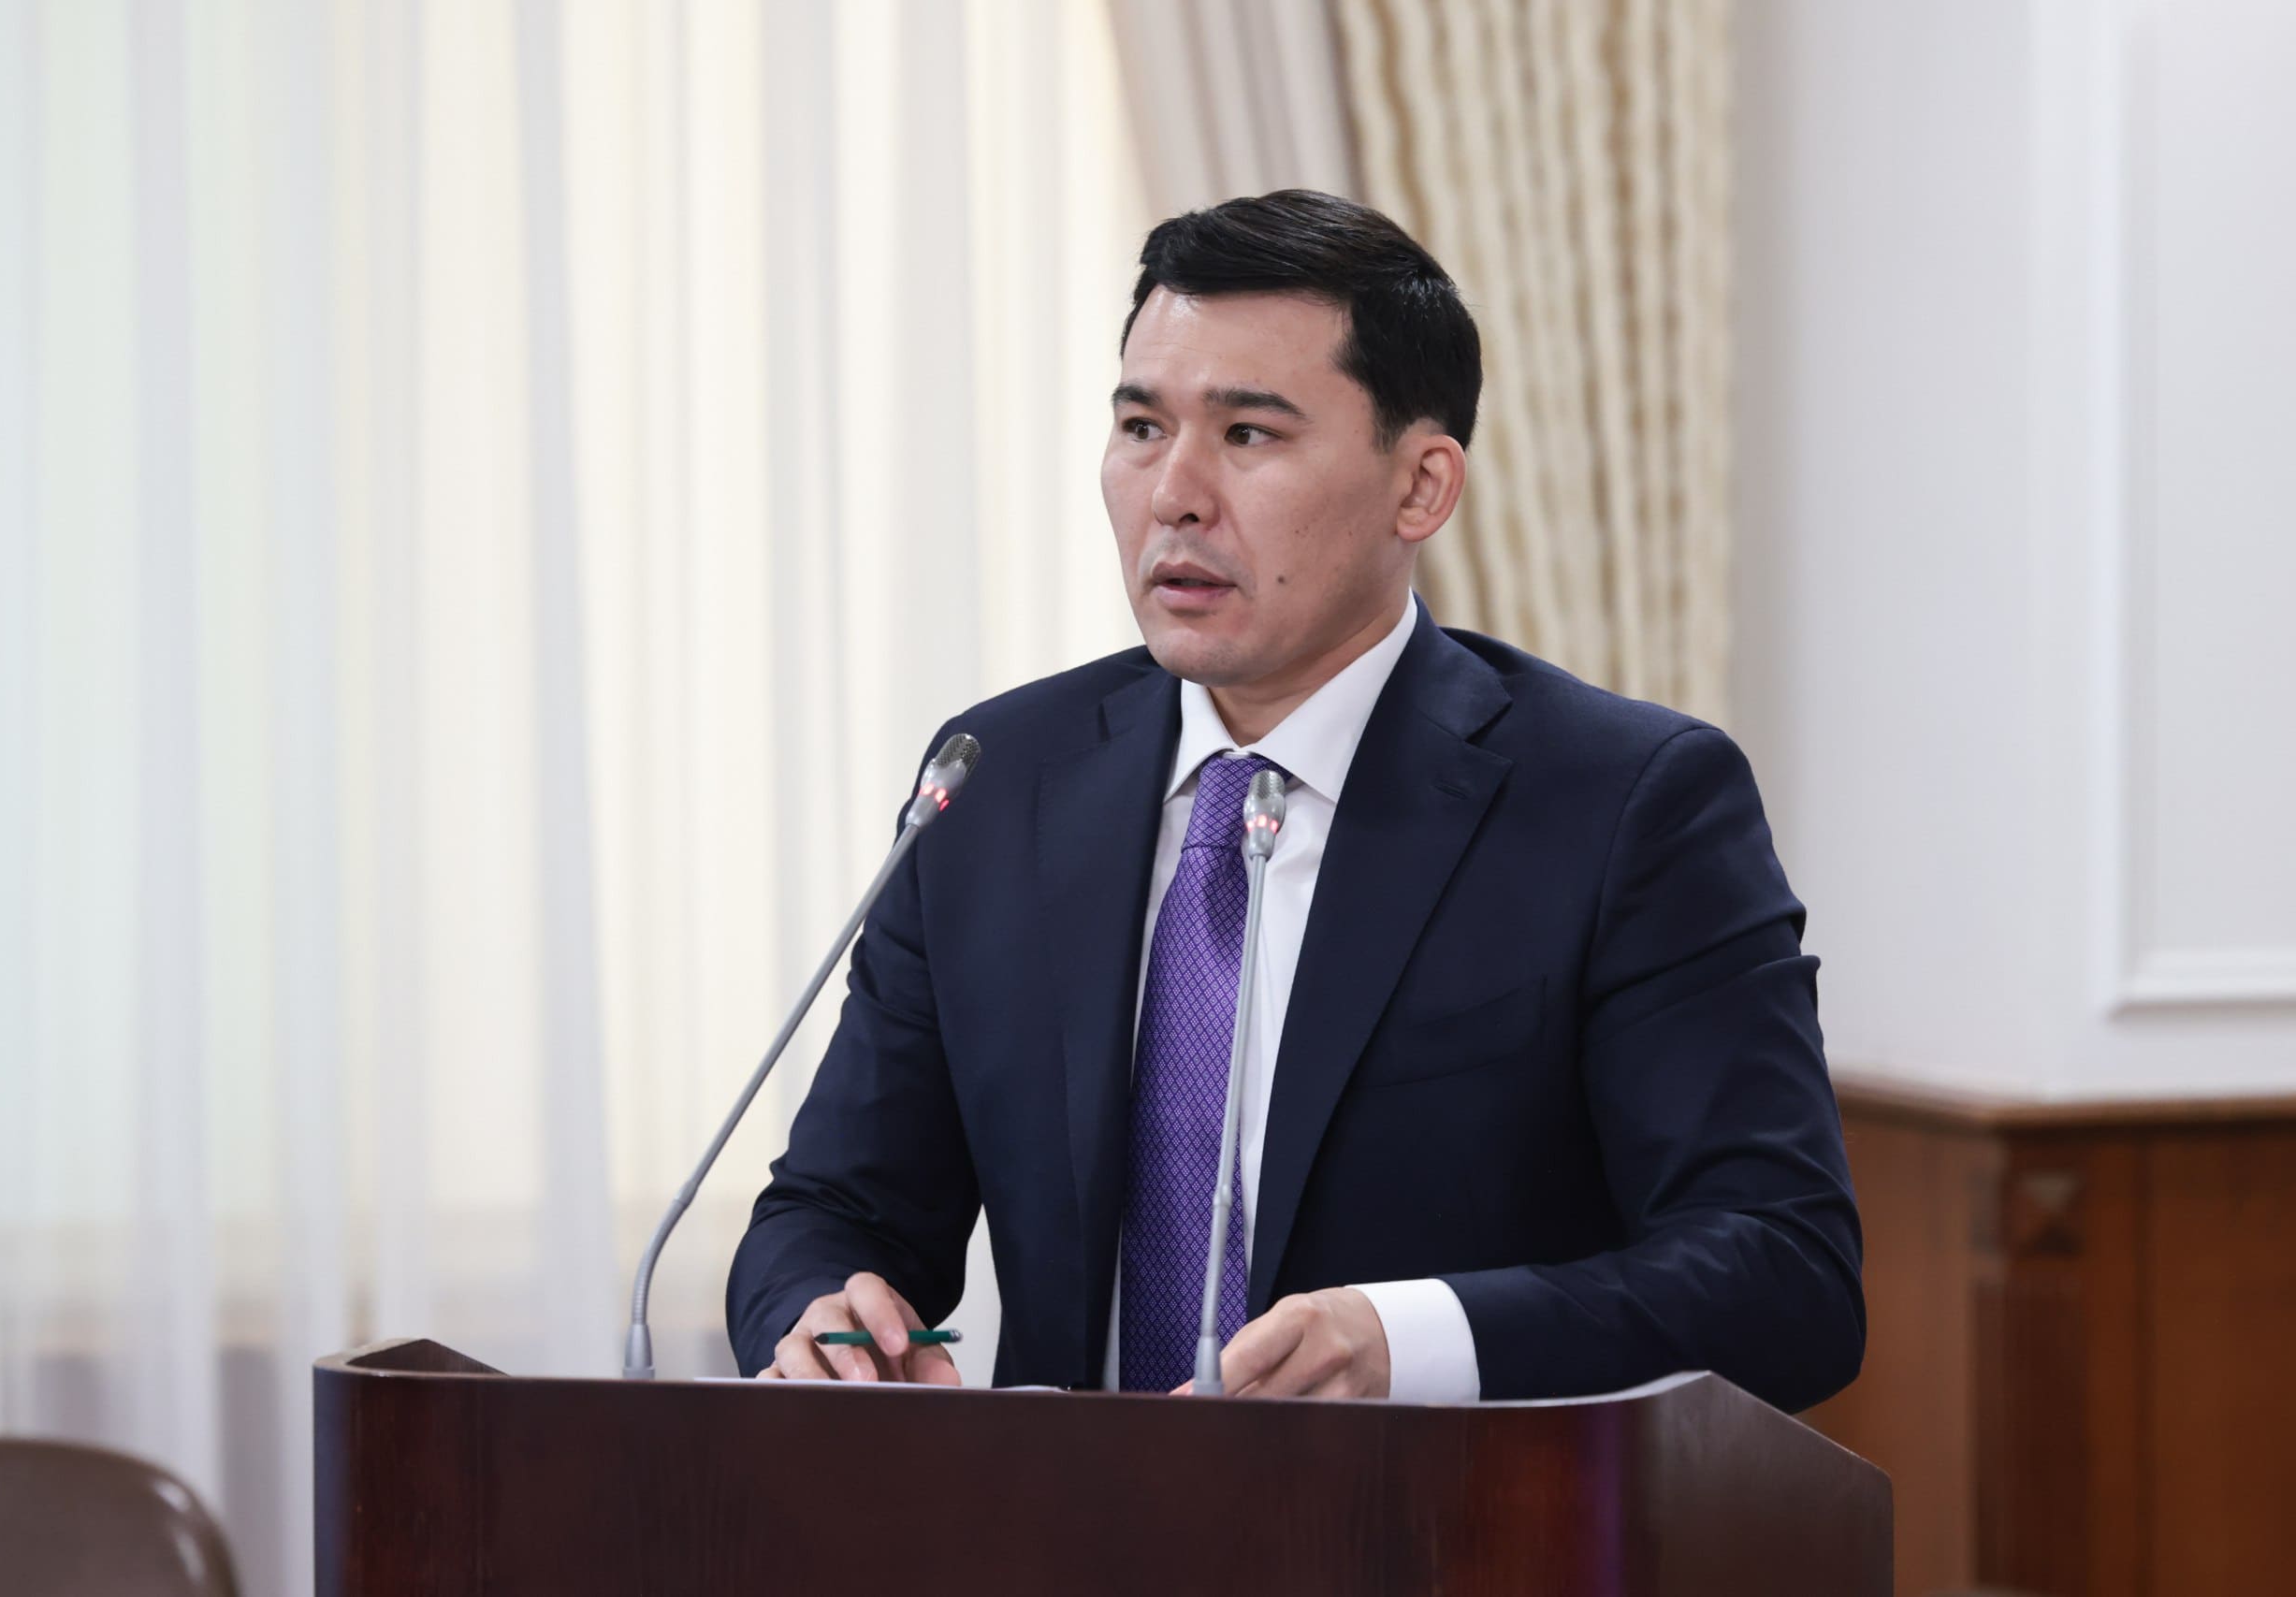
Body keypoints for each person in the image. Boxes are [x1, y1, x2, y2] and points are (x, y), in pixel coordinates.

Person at [727, 190, 1863, 1408]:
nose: (1174, 493)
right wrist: (823, 1312)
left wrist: (1405, 1344)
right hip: (1065, 1513)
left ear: (1421, 488)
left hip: (1442, 1513)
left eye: (1249, 434)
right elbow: (835, 1209)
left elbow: (1782, 1275)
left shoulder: (1625, 803)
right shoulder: (997, 785)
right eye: (1141, 426)